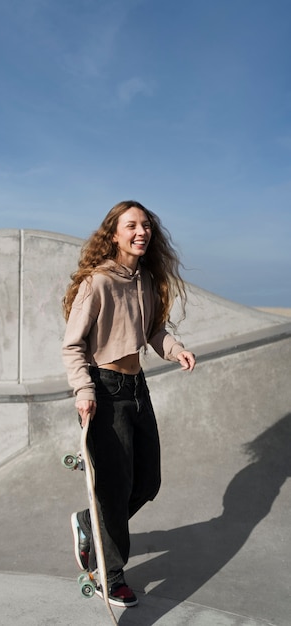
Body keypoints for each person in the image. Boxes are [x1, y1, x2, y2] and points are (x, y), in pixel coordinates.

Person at [62, 200, 195, 608]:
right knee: (115, 489)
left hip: (138, 388)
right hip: (104, 391)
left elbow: (154, 331)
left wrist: (175, 350)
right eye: (131, 226)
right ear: (114, 234)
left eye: (146, 226)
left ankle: (90, 523)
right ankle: (110, 573)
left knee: (148, 482)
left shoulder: (147, 280)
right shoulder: (98, 282)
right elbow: (73, 345)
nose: (142, 232)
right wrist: (84, 392)